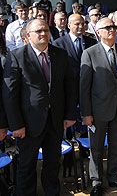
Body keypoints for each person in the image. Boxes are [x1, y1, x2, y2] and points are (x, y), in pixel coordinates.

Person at [3, 19, 77, 195]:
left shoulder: (60, 54)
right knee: (26, 165)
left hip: (55, 120)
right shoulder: (16, 56)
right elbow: (10, 94)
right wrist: (16, 125)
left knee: (52, 163)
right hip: (28, 123)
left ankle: (52, 192)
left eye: (45, 30)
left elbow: (70, 86)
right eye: (39, 31)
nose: (44, 34)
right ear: (28, 36)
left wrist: (70, 113)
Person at [80, 18, 117, 195]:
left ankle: (113, 176)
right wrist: (86, 113)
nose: (111, 30)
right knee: (96, 147)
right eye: (107, 27)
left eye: (113, 27)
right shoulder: (89, 53)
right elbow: (84, 86)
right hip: (98, 110)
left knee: (115, 144)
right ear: (98, 32)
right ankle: (96, 181)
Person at [53, 13, 97, 92]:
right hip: (69, 87)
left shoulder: (92, 42)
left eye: (82, 24)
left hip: (88, 86)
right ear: (69, 26)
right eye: (77, 24)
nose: (81, 27)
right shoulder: (59, 43)